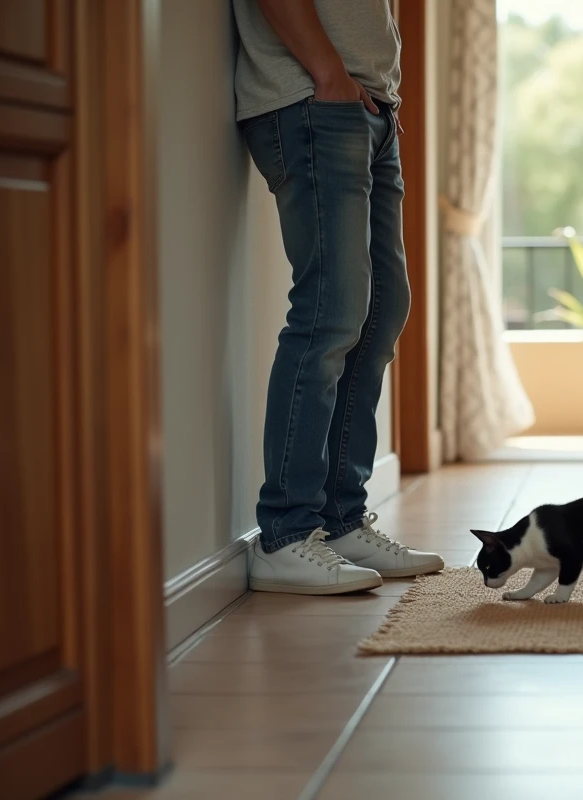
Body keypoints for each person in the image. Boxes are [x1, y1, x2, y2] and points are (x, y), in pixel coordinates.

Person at [232, 0, 443, 594]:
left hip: (366, 105)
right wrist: (328, 73)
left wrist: (367, 87)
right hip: (308, 98)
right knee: (331, 313)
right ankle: (285, 535)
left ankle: (340, 519)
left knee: (380, 313)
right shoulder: (317, 87)